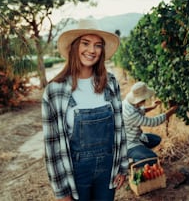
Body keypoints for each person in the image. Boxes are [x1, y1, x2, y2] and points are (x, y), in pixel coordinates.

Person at [42, 18, 128, 201]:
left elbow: (120, 129)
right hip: (76, 173)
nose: (92, 50)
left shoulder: (110, 83)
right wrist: (62, 191)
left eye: (98, 45)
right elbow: (52, 145)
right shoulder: (54, 90)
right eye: (86, 43)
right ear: (74, 47)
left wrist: (122, 166)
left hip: (107, 171)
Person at [122, 82, 177, 165]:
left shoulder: (127, 102)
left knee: (156, 139)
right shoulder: (130, 114)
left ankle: (141, 152)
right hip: (128, 144)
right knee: (153, 159)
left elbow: (139, 111)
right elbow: (152, 122)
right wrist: (171, 111)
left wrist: (152, 107)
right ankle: (131, 161)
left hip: (135, 137)